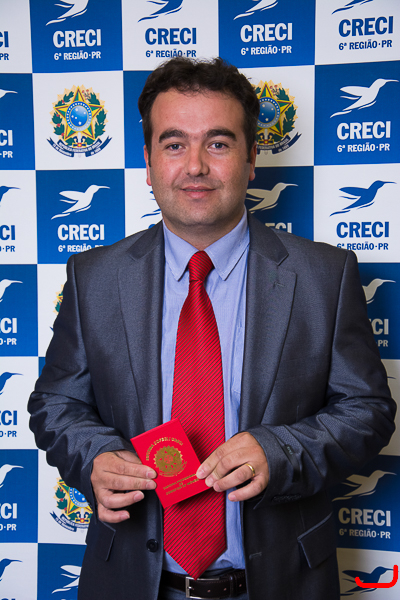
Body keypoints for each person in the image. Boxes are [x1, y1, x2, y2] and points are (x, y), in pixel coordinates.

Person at [28, 57, 396, 600]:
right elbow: (55, 405)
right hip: (132, 582)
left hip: (280, 584)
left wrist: (281, 451)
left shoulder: (325, 275)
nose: (195, 166)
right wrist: (95, 457)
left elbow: (369, 410)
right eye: (174, 144)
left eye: (218, 143)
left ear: (251, 159)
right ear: (148, 162)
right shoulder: (94, 277)